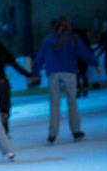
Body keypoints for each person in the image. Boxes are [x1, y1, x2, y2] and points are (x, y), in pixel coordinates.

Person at [33, 16, 101, 144]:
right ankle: (76, 131)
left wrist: (35, 72)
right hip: (69, 72)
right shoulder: (73, 38)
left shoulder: (48, 40)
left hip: (53, 73)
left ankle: (52, 134)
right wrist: (95, 63)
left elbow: (39, 57)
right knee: (72, 101)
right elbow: (84, 52)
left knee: (54, 104)